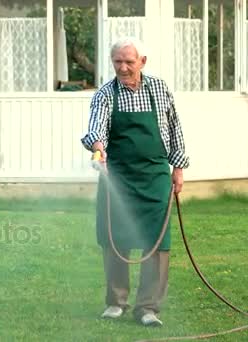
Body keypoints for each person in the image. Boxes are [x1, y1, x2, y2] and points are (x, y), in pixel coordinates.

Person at [80, 37, 189, 326]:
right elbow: (95, 128)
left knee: (158, 242)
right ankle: (116, 303)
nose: (123, 67)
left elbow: (175, 127)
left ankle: (148, 308)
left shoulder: (158, 89)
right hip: (118, 177)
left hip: (155, 177)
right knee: (115, 239)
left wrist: (177, 167)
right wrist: (98, 148)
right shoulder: (106, 94)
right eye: (118, 61)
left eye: (129, 61)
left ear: (142, 62)